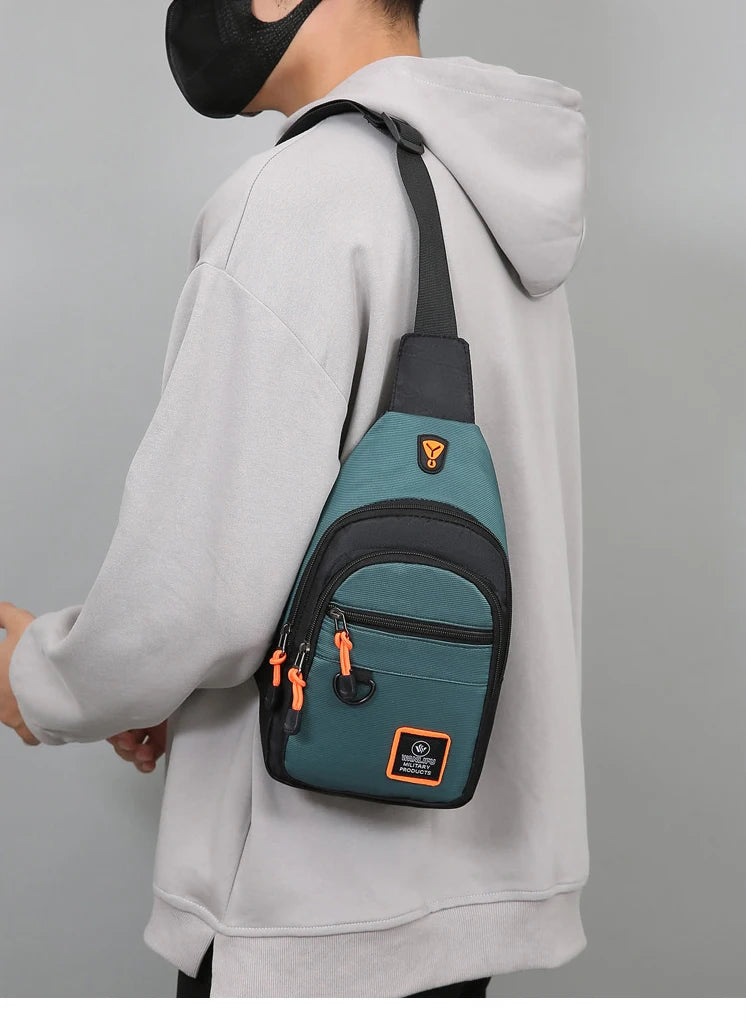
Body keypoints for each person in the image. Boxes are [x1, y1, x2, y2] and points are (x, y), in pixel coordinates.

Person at [0, 0, 589, 999]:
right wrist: (172, 689)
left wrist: (41, 678)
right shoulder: (489, 195)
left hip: (305, 911)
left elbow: (194, 597)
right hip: (463, 894)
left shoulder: (305, 194)